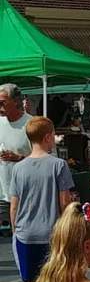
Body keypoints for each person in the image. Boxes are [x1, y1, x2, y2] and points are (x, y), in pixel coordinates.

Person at [9, 116, 74, 282]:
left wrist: (16, 229)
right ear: (47, 137)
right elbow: (64, 201)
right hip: (51, 231)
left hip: (26, 232)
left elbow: (14, 204)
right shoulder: (58, 165)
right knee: (55, 281)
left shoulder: (19, 168)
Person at [0, 83, 32, 234]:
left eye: (2, 102)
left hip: (23, 195)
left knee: (21, 238)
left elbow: (46, 160)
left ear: (16, 102)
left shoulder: (32, 124)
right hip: (2, 193)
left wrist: (19, 158)